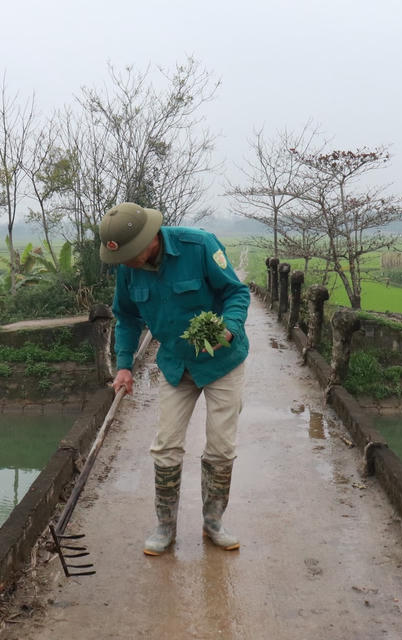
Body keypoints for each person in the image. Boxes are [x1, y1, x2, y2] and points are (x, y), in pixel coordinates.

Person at [100, 201, 250, 555]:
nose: (129, 263)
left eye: (132, 254)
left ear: (152, 238)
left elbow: (236, 292)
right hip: (175, 363)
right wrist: (124, 365)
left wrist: (228, 329)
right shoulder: (127, 268)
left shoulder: (199, 246)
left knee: (221, 447)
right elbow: (127, 317)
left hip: (222, 360)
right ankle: (165, 527)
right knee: (165, 447)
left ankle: (213, 522)